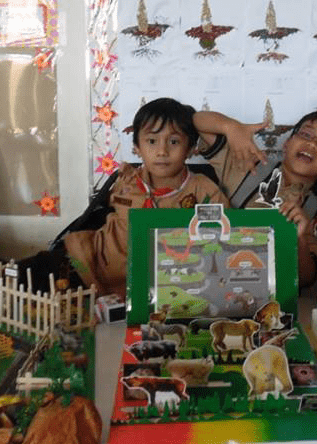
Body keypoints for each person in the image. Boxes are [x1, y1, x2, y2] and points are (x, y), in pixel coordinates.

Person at [63, 98, 230, 297]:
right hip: (90, 267)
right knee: (37, 273)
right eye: (151, 141)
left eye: (174, 142)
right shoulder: (126, 181)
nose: (162, 151)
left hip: (167, 287)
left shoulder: (204, 191)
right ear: (137, 147)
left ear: (190, 149)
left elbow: (224, 237)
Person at [193, 108, 317, 288]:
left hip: (273, 293)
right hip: (219, 280)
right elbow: (198, 120)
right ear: (287, 143)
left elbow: (306, 279)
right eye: (306, 134)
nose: (312, 144)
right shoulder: (249, 165)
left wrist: (298, 239)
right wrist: (231, 128)